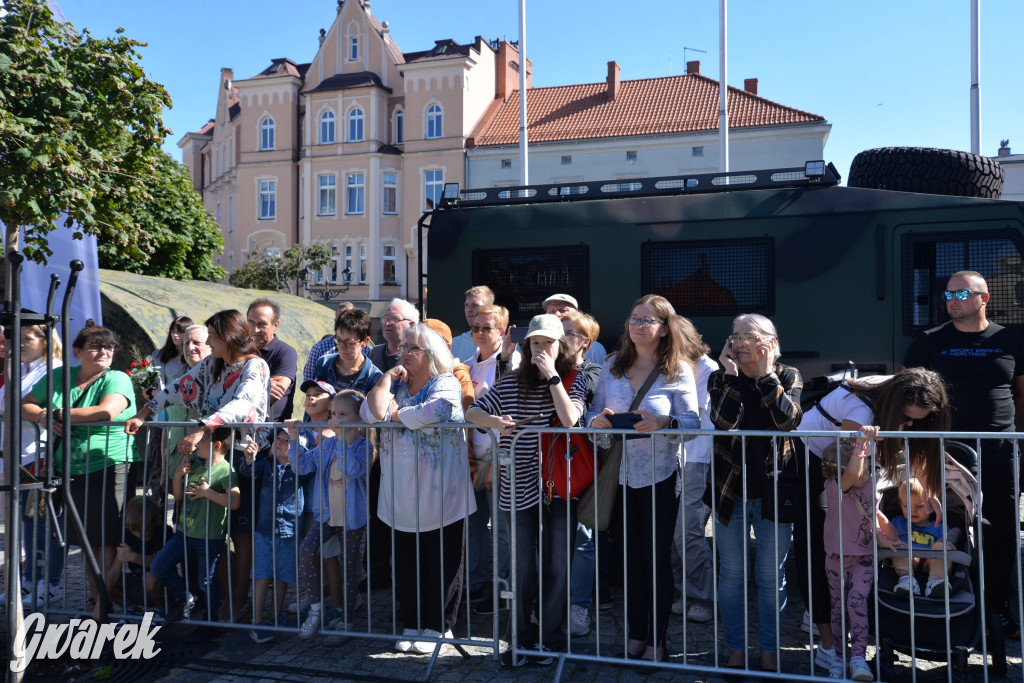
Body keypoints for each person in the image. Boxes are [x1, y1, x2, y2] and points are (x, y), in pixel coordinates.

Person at [794, 367, 951, 671]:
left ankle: (852, 647)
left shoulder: (895, 398)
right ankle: (827, 644)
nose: (908, 426)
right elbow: (850, 476)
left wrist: (921, 492)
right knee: (817, 545)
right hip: (818, 461)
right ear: (893, 405)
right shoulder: (861, 410)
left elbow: (869, 480)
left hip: (853, 468)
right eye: (905, 418)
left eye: (919, 421)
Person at [125, 309, 270, 621]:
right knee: (209, 539)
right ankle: (212, 601)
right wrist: (145, 412)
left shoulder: (255, 365)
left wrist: (202, 428)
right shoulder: (212, 364)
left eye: (213, 336)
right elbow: (179, 387)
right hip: (210, 454)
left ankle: (238, 601)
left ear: (228, 337)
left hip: (244, 458)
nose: (208, 342)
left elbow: (243, 404)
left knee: (239, 535)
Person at [903, 270, 1024, 634]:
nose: (951, 301)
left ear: (983, 298)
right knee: (949, 526)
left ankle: (999, 607)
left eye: (960, 294)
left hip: (999, 451)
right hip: (945, 453)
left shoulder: (1011, 339)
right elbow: (906, 396)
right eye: (948, 295)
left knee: (1000, 529)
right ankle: (951, 603)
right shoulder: (927, 341)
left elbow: (1022, 395)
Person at [467, 314, 587, 665]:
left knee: (558, 565)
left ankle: (549, 637)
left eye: (548, 342)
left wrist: (552, 376)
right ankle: (519, 640)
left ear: (560, 345)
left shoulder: (572, 380)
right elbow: (473, 412)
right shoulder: (510, 382)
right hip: (517, 486)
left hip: (559, 485)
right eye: (535, 343)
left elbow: (570, 419)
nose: (541, 349)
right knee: (521, 566)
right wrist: (496, 423)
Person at [588, 296, 700, 662]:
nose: (637, 325)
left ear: (665, 328)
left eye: (647, 320)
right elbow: (592, 415)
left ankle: (657, 640)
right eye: (634, 318)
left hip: (660, 475)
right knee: (629, 560)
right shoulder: (611, 366)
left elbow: (694, 424)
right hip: (618, 475)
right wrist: (598, 423)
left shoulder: (678, 370)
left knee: (655, 560)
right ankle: (636, 635)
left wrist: (666, 424)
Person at [363, 324, 475, 656]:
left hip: (442, 493)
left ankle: (439, 626)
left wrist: (397, 416)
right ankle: (412, 623)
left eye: (412, 348)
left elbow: (439, 409)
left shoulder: (445, 380)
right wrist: (385, 379)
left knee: (441, 559)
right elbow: (370, 414)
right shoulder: (397, 383)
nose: (404, 353)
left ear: (430, 353)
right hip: (401, 491)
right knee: (408, 560)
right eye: (403, 348)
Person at [707, 313, 802, 673]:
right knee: (731, 574)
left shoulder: (789, 375)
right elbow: (723, 422)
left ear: (772, 343)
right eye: (735, 336)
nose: (740, 342)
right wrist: (732, 377)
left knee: (769, 576)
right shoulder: (720, 378)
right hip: (730, 490)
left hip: (774, 490)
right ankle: (734, 650)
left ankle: (769, 652)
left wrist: (765, 375)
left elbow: (787, 421)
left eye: (750, 336)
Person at [23, 324, 138, 612]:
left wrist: (58, 414)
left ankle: (103, 602)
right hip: (70, 470)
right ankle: (96, 598)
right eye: (96, 346)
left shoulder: (117, 378)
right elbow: (25, 404)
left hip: (110, 466)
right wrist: (43, 418)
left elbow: (105, 411)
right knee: (87, 543)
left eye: (109, 347)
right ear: (78, 351)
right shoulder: (61, 375)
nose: (104, 352)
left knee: (106, 541)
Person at [290, 390, 370, 642]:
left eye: (342, 415)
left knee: (349, 570)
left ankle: (346, 622)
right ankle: (315, 611)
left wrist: (345, 440)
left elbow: (353, 469)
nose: (335, 419)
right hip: (326, 516)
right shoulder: (328, 444)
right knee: (306, 550)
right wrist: (293, 440)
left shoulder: (363, 446)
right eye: (333, 414)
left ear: (358, 420)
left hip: (351, 519)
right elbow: (301, 466)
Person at [2, 324, 64, 608]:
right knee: (26, 522)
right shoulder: (21, 369)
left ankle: (49, 583)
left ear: (46, 341)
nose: (21, 344)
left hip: (40, 455)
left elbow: (43, 410)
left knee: (42, 521)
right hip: (16, 456)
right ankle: (29, 580)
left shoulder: (55, 370)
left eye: (27, 339)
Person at [150, 426, 241, 622]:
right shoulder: (196, 465)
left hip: (209, 537)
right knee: (159, 566)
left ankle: (211, 622)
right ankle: (189, 596)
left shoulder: (226, 471)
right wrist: (177, 476)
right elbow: (178, 496)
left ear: (216, 445)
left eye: (201, 441)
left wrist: (209, 493)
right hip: (183, 533)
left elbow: (234, 502)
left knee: (207, 581)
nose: (196, 444)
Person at [463, 304, 518, 614]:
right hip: (472, 458)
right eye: (476, 327)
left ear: (502, 331)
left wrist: (499, 459)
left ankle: (502, 588)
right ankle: (473, 585)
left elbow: (511, 411)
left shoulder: (512, 362)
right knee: (472, 525)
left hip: (502, 457)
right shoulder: (467, 365)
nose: (480, 332)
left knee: (501, 530)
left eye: (487, 328)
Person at [366, 298, 419, 585]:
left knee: (406, 514)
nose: (386, 323)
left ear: (411, 325)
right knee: (376, 511)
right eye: (385, 317)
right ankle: (377, 571)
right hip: (375, 448)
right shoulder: (372, 356)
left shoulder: (418, 357)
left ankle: (407, 575)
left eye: (394, 318)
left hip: (408, 450)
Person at [820, 430, 881, 682]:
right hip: (836, 556)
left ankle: (858, 658)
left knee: (856, 601)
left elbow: (874, 513)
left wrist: (884, 534)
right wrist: (862, 443)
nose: (863, 473)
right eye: (859, 465)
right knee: (837, 608)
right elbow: (853, 475)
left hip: (864, 556)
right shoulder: (835, 486)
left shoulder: (873, 481)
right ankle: (838, 657)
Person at [670, 316, 718, 625]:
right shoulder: (673, 366)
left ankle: (705, 596)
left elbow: (691, 413)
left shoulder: (706, 368)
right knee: (673, 533)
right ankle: (684, 591)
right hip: (672, 457)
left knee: (687, 532)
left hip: (695, 458)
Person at [241, 427, 308, 643]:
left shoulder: (300, 468)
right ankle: (258, 620)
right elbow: (248, 473)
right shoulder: (267, 464)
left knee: (283, 576)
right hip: (264, 530)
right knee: (262, 575)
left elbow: (308, 468)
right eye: (277, 439)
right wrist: (249, 460)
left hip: (289, 530)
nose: (278, 443)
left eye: (285, 440)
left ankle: (275, 615)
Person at [562, 310, 604, 637]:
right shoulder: (541, 369)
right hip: (546, 465)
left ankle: (579, 607)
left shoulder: (591, 371)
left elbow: (576, 407)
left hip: (583, 465)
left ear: (584, 341)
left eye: (569, 332)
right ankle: (548, 604)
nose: (561, 337)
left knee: (582, 539)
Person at [94, 494, 173, 622]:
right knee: (104, 577)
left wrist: (134, 557)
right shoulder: (128, 535)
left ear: (156, 521)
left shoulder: (164, 532)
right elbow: (114, 571)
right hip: (139, 586)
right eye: (135, 530)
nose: (139, 535)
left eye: (145, 531)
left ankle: (161, 610)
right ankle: (132, 609)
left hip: (163, 589)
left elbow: (162, 565)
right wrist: (99, 604)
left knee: (150, 577)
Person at [878, 476, 958, 599]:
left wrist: (949, 541)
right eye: (907, 506)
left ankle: (935, 582)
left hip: (931, 562)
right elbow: (887, 534)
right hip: (905, 562)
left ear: (932, 505)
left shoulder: (938, 526)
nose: (913, 511)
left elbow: (955, 534)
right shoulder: (898, 522)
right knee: (898, 545)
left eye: (920, 506)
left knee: (941, 546)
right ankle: (907, 580)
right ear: (900, 505)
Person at [142, 315, 193, 498]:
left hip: (182, 414)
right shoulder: (159, 355)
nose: (175, 335)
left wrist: (156, 395)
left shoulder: (194, 360)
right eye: (173, 330)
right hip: (161, 413)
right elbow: (151, 386)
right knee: (158, 460)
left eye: (180, 331)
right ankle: (158, 508)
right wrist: (149, 393)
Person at [163, 324, 212, 503]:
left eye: (196, 342)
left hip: (205, 462)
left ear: (210, 344)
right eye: (186, 343)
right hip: (176, 461)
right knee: (179, 516)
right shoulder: (174, 380)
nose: (190, 348)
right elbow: (166, 424)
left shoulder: (219, 378)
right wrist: (163, 468)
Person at [312, 308, 382, 396]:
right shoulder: (323, 363)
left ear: (365, 341)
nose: (341, 346)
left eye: (349, 343)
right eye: (338, 339)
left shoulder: (374, 377)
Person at [542, 294, 607, 365]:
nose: (557, 314)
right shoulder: (538, 345)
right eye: (552, 311)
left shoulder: (595, 349)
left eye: (563, 310)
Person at [303, 302, 358, 384]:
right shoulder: (319, 349)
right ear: (335, 321)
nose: (344, 322)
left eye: (348, 318)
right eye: (340, 318)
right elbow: (308, 381)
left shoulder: (365, 350)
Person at [451, 285, 495, 363]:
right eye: (466, 305)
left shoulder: (506, 343)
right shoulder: (455, 344)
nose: (468, 310)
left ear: (489, 308)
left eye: (475, 305)